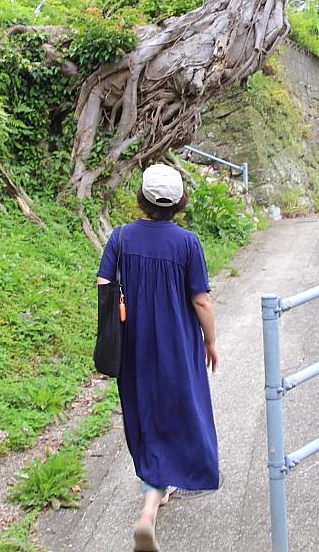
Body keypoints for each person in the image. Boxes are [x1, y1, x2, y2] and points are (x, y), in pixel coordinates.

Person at [96, 163, 219, 552]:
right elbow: (200, 299)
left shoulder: (120, 237)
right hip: (177, 343)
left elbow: (103, 282)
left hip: (133, 343)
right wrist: (211, 341)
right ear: (179, 202)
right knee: (178, 410)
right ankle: (149, 509)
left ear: (143, 198)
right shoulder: (187, 243)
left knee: (144, 410)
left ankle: (155, 488)